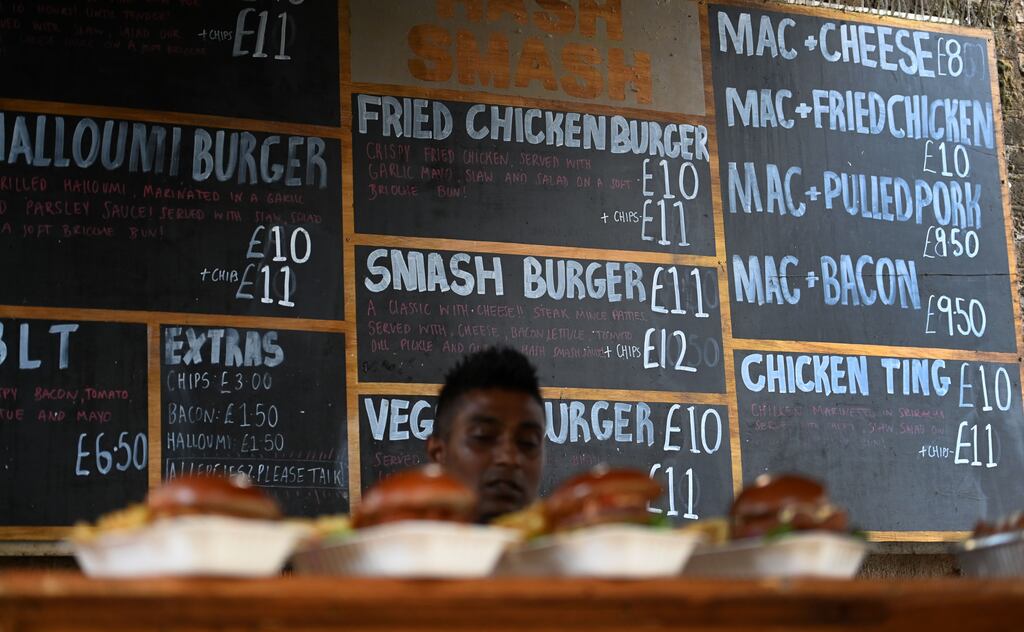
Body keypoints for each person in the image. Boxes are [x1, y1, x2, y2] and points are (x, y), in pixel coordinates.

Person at [426, 346, 545, 523]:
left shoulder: (572, 548)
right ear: (438, 454)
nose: (508, 458)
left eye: (528, 442)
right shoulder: (401, 549)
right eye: (483, 437)